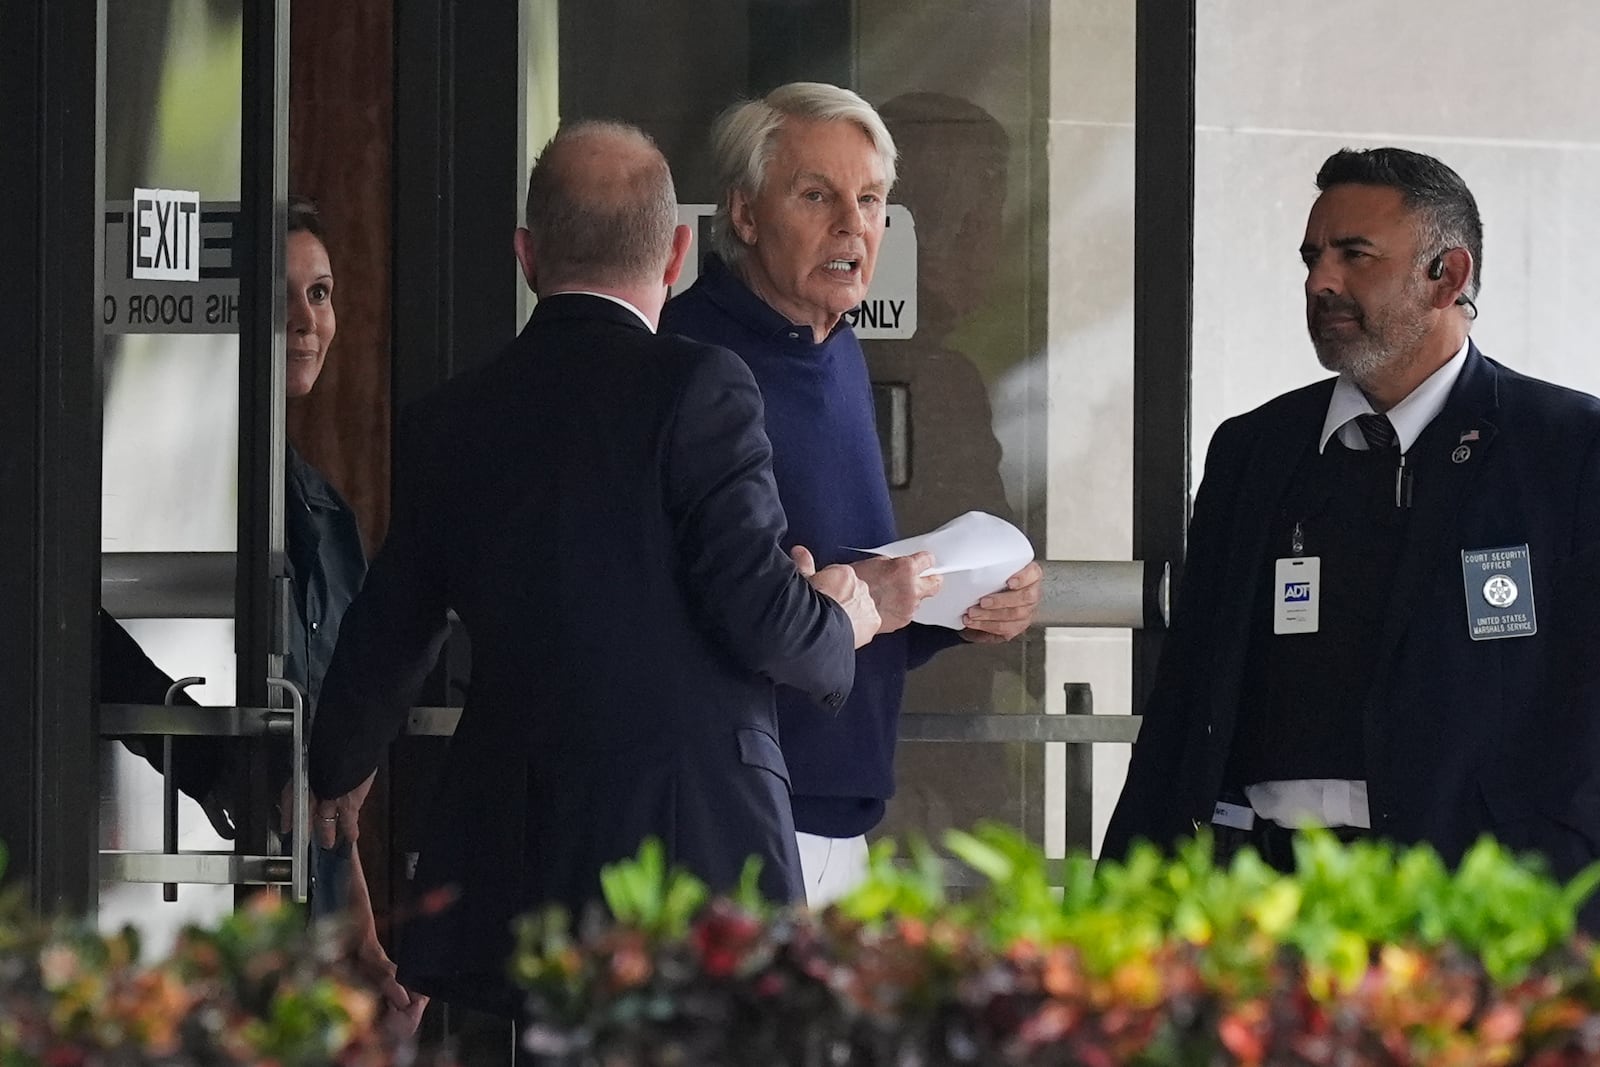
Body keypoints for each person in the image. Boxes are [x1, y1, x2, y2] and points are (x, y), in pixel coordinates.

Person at [306, 120, 878, 1019]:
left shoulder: (451, 420)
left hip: (519, 860)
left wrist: (338, 759)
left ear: (527, 255)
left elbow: (392, 622)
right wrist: (843, 617)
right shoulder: (704, 388)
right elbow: (764, 618)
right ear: (679, 250)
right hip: (696, 866)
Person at [1102, 147, 1600, 895]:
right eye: (1311, 257)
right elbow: (1188, 694)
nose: (1319, 281)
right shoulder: (1255, 452)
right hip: (1259, 897)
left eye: (1353, 255)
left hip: (1469, 904)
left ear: (1448, 276)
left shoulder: (1565, 448)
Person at [660, 83, 1044, 907]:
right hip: (726, 814)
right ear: (746, 214)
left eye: (870, 200)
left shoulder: (839, 349)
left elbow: (853, 595)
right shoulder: (690, 361)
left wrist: (962, 607)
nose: (852, 225)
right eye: (816, 195)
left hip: (843, 812)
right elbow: (677, 602)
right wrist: (838, 600)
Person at [100, 196, 417, 1022]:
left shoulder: (322, 510)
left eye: (320, 292)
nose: (306, 320)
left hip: (291, 917)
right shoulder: (160, 486)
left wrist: (364, 936)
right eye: (278, 296)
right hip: (165, 896)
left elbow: (327, 766)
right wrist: (205, 761)